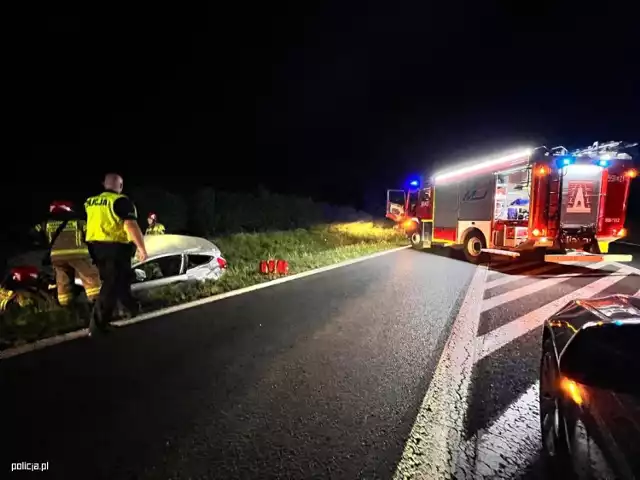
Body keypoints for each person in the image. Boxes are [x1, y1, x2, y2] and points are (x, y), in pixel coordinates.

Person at [84, 173, 147, 335]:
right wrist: (141, 248)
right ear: (120, 186)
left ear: (104, 184)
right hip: (115, 248)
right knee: (110, 286)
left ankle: (130, 307)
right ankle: (97, 326)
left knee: (121, 279)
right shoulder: (121, 201)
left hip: (95, 248)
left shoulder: (91, 202)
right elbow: (130, 225)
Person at [34, 200, 101, 307]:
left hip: (57, 257)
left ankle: (66, 306)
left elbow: (33, 233)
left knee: (62, 282)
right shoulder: (78, 222)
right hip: (79, 255)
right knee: (90, 278)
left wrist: (44, 242)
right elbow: (91, 236)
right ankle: (98, 303)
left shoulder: (45, 224)